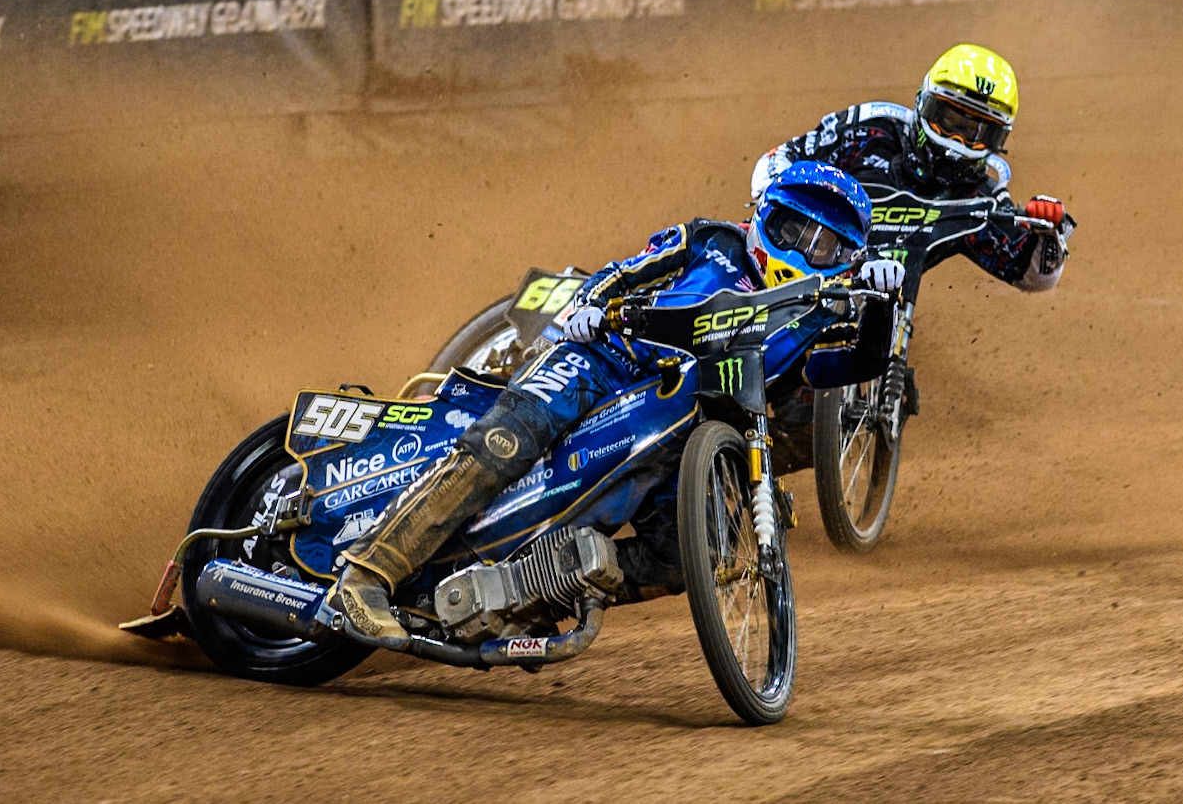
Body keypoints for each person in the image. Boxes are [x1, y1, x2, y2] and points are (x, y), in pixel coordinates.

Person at [334, 162, 907, 643]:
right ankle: (366, 576)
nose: (805, 249)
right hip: (604, 362)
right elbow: (625, 271)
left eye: (825, 243)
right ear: (763, 217)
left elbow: (854, 365)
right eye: (791, 228)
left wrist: (883, 301)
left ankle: (529, 593)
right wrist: (590, 304)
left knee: (685, 558)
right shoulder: (712, 239)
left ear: (849, 258)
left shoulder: (816, 318)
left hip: (683, 430)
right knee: (509, 439)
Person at [751, 43, 1073, 291]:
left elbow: (1031, 275)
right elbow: (777, 159)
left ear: (997, 139)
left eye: (978, 133)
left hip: (880, 305)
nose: (958, 139)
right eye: (949, 120)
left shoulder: (978, 199)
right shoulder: (868, 131)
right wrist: (782, 199)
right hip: (783, 265)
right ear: (923, 102)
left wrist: (1046, 234)